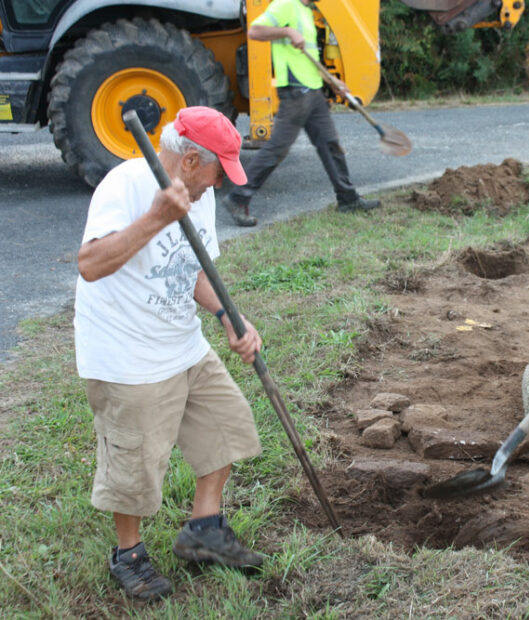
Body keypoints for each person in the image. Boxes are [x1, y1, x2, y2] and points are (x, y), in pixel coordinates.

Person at [75, 106, 265, 601]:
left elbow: (195, 271)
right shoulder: (125, 186)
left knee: (226, 424)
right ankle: (129, 553)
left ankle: (204, 532)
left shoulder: (198, 196)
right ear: (190, 161)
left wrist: (229, 317)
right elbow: (91, 264)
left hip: (181, 342)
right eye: (217, 172)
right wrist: (157, 218)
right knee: (135, 466)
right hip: (127, 352)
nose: (219, 184)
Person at [222, 0, 380, 226]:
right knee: (278, 147)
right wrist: (286, 31)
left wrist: (332, 81)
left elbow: (310, 58)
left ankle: (348, 198)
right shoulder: (285, 4)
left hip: (313, 90)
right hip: (296, 91)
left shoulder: (306, 12)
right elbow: (255, 30)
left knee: (330, 143)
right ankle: (238, 197)